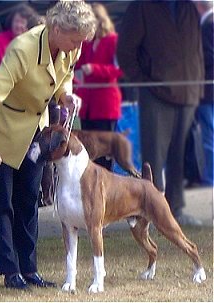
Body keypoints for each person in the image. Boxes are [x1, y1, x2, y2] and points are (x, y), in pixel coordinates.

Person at [0, 0, 96, 290]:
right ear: (56, 28)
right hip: (1, 132)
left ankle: (29, 270)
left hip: (35, 132)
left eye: (81, 40)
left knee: (29, 200)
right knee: (1, 203)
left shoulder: (71, 45)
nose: (77, 46)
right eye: (74, 39)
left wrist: (65, 95)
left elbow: (63, 76)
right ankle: (10, 271)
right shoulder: (23, 49)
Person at [117, 0, 204, 225]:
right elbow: (125, 50)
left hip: (188, 92)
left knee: (180, 158)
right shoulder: (142, 6)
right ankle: (150, 213)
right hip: (155, 94)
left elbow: (197, 48)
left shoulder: (189, 6)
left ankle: (176, 210)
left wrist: (199, 84)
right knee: (153, 158)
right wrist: (143, 82)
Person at [75, 2, 123, 171]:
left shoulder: (114, 41)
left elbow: (119, 69)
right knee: (90, 149)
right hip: (87, 104)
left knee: (105, 149)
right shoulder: (86, 43)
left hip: (106, 105)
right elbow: (76, 65)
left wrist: (95, 69)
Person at [0, 3, 41, 80]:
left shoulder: (35, 43)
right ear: (11, 22)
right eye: (17, 21)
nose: (18, 25)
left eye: (22, 22)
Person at [194, 0, 214, 186]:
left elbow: (208, 56)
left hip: (208, 90)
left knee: (209, 135)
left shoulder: (208, 25)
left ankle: (210, 177)